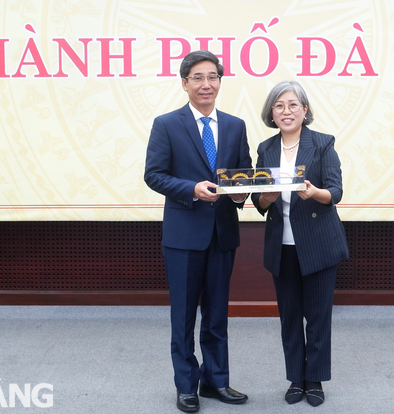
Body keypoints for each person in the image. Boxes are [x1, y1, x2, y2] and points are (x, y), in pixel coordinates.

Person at [144, 50, 251, 413]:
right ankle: (186, 385)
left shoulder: (235, 125)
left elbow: (244, 172)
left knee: (218, 313)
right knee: (184, 316)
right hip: (183, 235)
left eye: (213, 77)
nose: (206, 84)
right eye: (198, 78)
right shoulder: (167, 124)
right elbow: (154, 175)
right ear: (185, 83)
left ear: (220, 82)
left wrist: (244, 192)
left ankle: (215, 380)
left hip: (222, 234)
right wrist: (191, 189)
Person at [251, 80, 349, 407]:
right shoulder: (266, 148)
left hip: (318, 243)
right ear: (271, 113)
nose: (286, 111)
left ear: (304, 110)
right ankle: (295, 378)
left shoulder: (322, 144)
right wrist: (265, 196)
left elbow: (334, 192)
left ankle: (315, 380)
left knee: (318, 316)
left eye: (293, 104)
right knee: (289, 315)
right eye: (279, 106)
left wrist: (313, 192)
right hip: (282, 245)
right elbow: (259, 202)